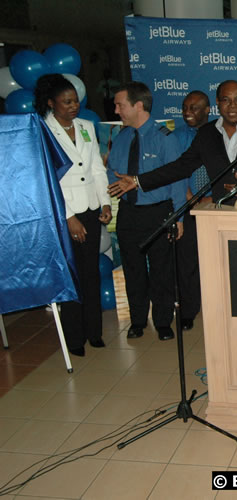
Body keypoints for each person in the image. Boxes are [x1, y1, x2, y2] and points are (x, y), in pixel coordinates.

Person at [109, 80, 237, 210]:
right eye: (226, 100)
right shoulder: (207, 134)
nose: (233, 105)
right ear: (217, 103)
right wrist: (138, 180)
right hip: (223, 211)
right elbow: (181, 167)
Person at [33, 74, 112, 357]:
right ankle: (74, 338)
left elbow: (96, 169)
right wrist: (68, 217)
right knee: (71, 275)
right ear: (52, 103)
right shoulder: (42, 130)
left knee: (90, 273)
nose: (73, 106)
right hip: (64, 213)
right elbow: (47, 179)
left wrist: (105, 203)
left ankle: (94, 332)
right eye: (66, 102)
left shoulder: (86, 126)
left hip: (90, 208)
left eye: (75, 100)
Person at [106, 81, 184, 342]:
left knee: (162, 269)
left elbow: (177, 179)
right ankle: (138, 320)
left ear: (138, 105)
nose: (116, 110)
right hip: (129, 212)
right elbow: (111, 172)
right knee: (133, 269)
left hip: (158, 212)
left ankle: (163, 322)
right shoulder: (122, 138)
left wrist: (178, 218)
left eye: (120, 105)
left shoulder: (164, 138)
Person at [172, 90, 211, 331]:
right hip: (187, 206)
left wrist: (213, 198)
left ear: (207, 110)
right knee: (187, 262)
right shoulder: (175, 137)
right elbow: (174, 170)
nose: (187, 113)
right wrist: (190, 198)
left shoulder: (218, 134)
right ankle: (188, 311)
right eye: (185, 108)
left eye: (194, 108)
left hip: (216, 205)